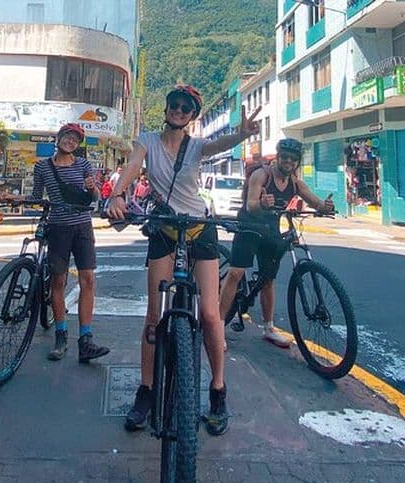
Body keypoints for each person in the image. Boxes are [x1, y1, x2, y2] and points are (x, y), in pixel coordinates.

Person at [107, 84, 262, 436]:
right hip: (164, 228)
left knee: (210, 313)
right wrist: (117, 194)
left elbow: (220, 145)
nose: (178, 111)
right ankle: (146, 390)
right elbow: (133, 165)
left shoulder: (196, 146)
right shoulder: (146, 139)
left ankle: (218, 390)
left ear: (192, 116)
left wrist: (242, 134)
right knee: (153, 316)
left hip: (198, 228)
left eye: (185, 108)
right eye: (174, 105)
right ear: (166, 109)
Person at [219, 138, 335, 350]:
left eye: (293, 159)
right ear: (278, 156)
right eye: (285, 157)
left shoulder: (295, 183)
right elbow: (251, 205)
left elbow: (314, 201)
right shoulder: (261, 175)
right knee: (235, 273)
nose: (288, 162)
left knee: (268, 280)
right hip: (249, 227)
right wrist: (261, 204)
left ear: (297, 162)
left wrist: (325, 206)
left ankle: (269, 328)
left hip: (270, 230)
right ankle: (217, 328)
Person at [29, 123, 110, 362]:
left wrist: (92, 188)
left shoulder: (84, 165)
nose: (71, 142)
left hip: (83, 226)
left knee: (88, 280)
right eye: (68, 137)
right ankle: (61, 336)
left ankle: (86, 339)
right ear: (59, 138)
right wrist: (16, 198)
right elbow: (36, 196)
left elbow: (94, 197)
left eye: (75, 140)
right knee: (59, 280)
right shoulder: (42, 167)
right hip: (58, 228)